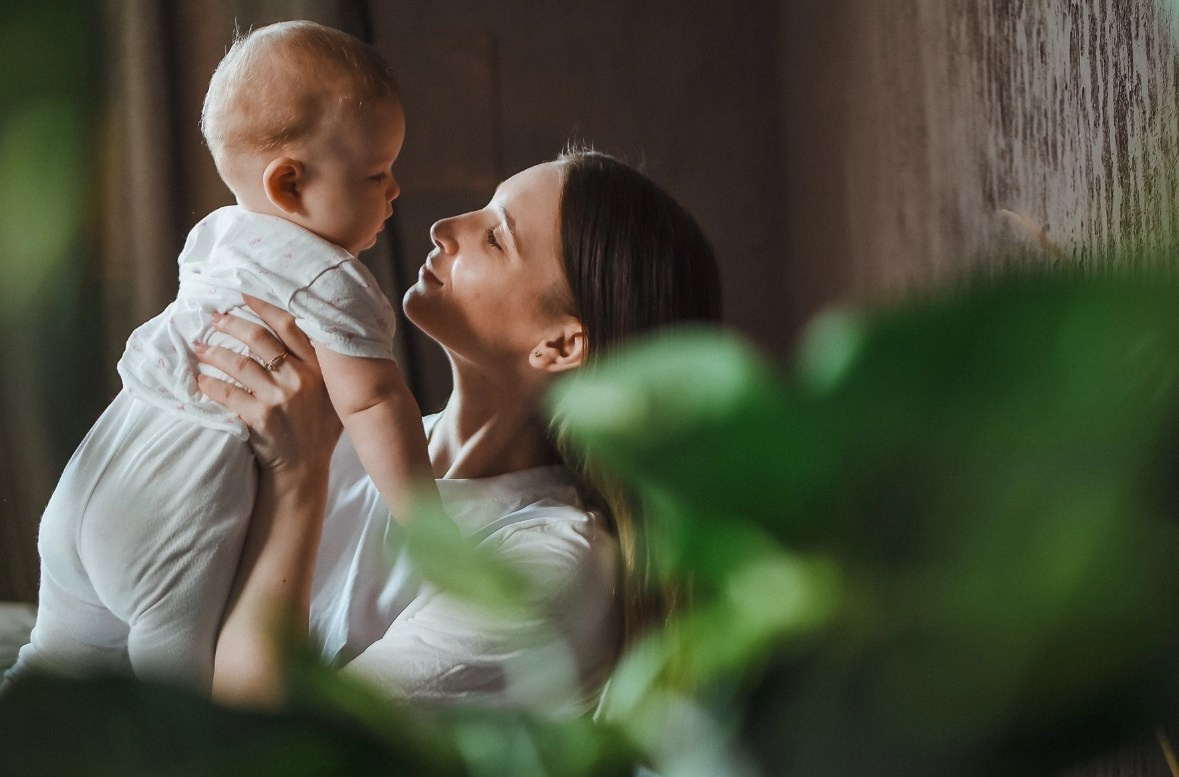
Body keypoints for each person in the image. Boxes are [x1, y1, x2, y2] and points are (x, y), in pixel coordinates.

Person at [199, 148, 723, 714]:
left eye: (496, 237)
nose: (445, 228)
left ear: (560, 345)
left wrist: (295, 480)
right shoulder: (340, 432)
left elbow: (268, 744)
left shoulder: (549, 567)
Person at [5, 20, 430, 693]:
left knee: (45, 666)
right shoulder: (328, 279)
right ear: (289, 185)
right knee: (179, 710)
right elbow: (373, 400)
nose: (395, 190)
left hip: (94, 477)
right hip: (173, 510)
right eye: (377, 173)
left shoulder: (218, 236)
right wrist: (426, 522)